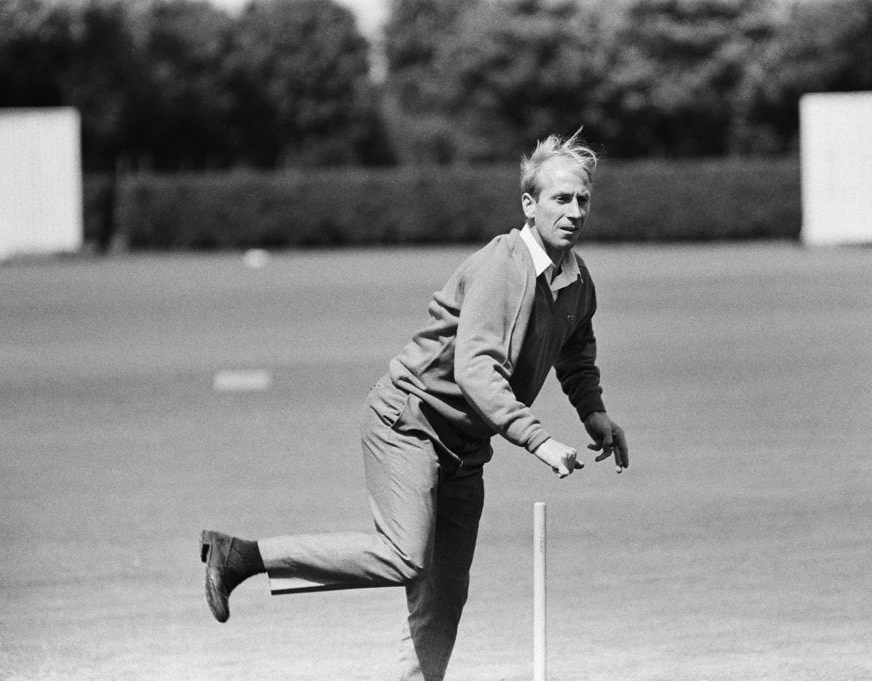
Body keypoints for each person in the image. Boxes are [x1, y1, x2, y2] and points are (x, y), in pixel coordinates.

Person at [200, 130, 629, 681]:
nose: (574, 212)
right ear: (530, 204)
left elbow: (575, 349)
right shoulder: (503, 267)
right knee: (404, 554)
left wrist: (593, 411)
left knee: (444, 597)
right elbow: (477, 370)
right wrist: (537, 437)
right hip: (408, 423)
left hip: (465, 449)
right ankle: (240, 556)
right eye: (560, 199)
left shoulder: (575, 279)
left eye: (582, 200)